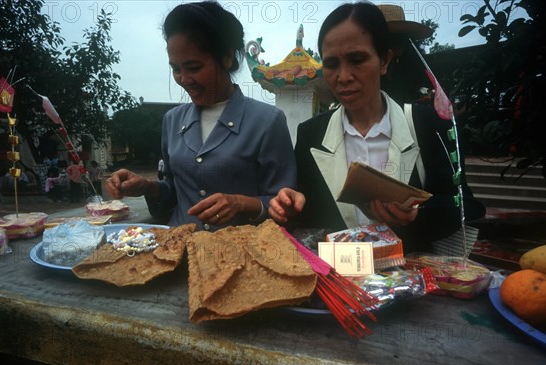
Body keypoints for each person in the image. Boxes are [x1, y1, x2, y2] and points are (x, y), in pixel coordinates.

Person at [269, 2, 485, 252]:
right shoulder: (311, 135)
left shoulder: (428, 123)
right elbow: (307, 211)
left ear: (384, 61)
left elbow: (466, 204)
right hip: (338, 285)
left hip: (413, 284)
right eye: (331, 64)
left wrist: (417, 214)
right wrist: (289, 205)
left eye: (357, 59)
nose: (343, 76)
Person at [105, 1, 296, 231]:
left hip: (242, 257)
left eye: (193, 67)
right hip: (179, 252)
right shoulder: (172, 121)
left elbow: (285, 206)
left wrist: (242, 204)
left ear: (226, 57)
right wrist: (148, 187)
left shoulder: (267, 121)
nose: (184, 79)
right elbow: (176, 191)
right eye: (176, 69)